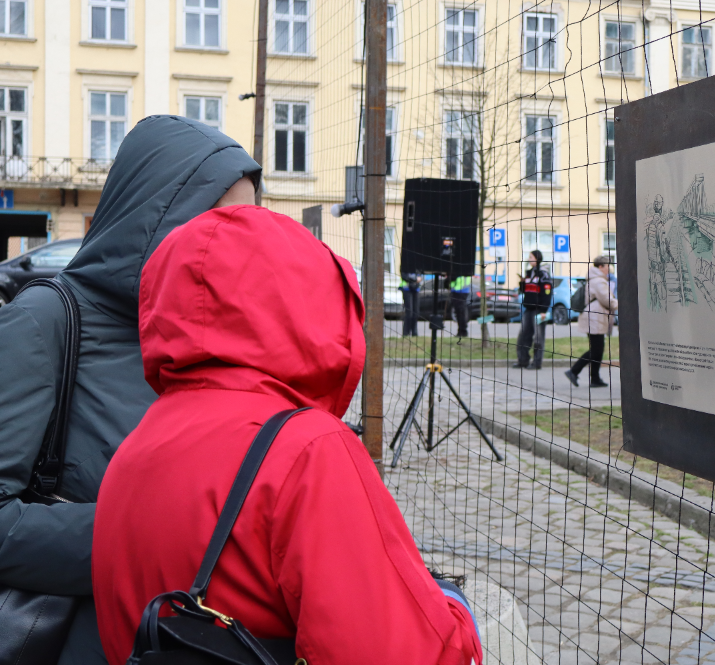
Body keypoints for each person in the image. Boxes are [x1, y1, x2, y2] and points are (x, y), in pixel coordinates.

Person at [91, 207, 482, 665]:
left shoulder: (137, 444)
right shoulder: (307, 449)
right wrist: (456, 608)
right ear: (308, 303)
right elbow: (403, 653)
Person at [0, 116, 261, 665]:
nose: (238, 245)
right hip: (75, 638)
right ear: (157, 215)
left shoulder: (211, 334)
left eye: (249, 224)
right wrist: (141, 535)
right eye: (219, 220)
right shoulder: (44, 321)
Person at [565, 256, 618, 388]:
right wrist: (620, 303)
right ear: (600, 267)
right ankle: (574, 371)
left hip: (594, 317)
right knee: (596, 350)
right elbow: (607, 300)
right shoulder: (599, 281)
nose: (609, 270)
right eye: (607, 266)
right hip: (595, 318)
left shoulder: (594, 279)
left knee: (597, 349)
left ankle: (595, 378)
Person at [514, 249, 553, 370]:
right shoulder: (529, 273)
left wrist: (543, 311)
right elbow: (526, 291)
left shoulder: (543, 274)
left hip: (538, 310)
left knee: (538, 338)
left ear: (537, 258)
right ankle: (522, 360)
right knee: (523, 336)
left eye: (531, 257)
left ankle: (536, 363)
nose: (529, 259)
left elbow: (547, 293)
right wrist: (522, 283)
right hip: (528, 309)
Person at [400, 271, 422, 336]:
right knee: (409, 312)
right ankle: (406, 333)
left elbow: (421, 275)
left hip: (416, 289)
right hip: (407, 289)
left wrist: (419, 279)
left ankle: (414, 333)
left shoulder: (417, 265)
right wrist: (415, 279)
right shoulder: (405, 264)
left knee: (416, 312)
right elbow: (404, 276)